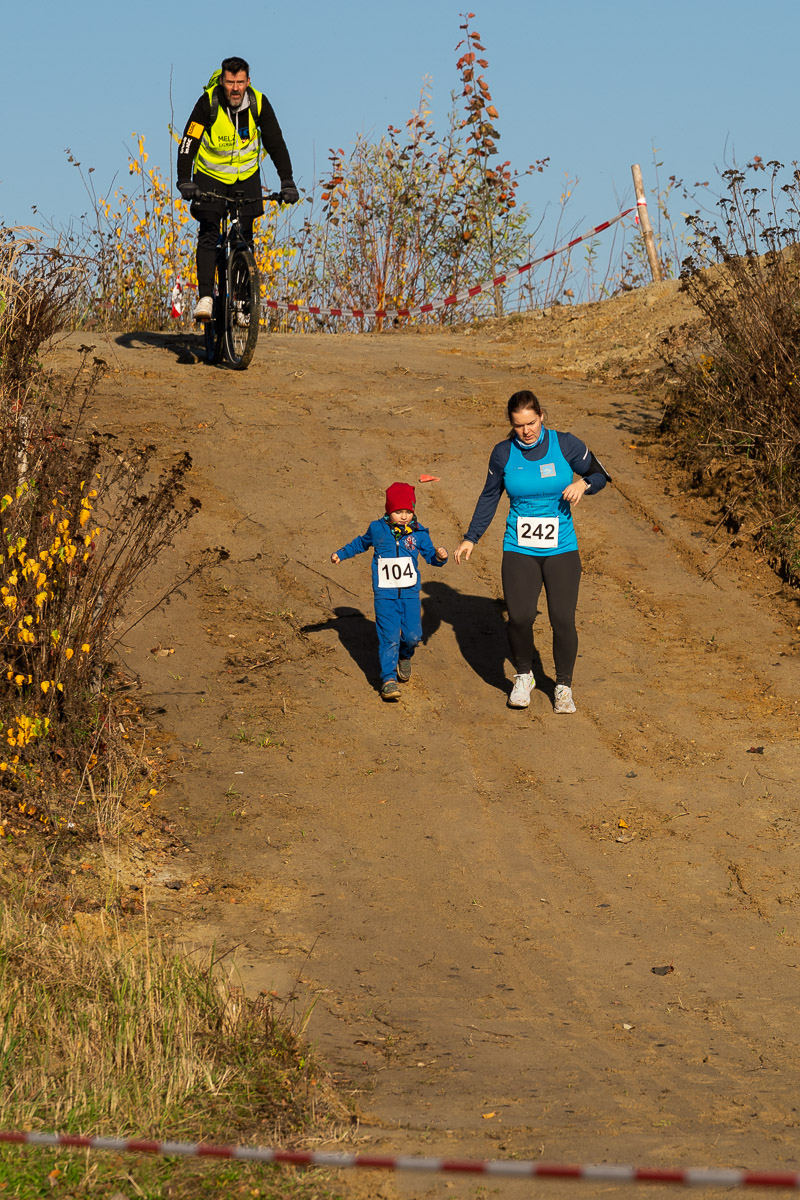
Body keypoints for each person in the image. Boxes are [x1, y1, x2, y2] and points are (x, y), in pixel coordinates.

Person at [454, 389, 609, 714]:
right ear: (511, 424)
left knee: (562, 619)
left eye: (531, 423)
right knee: (520, 617)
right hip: (519, 547)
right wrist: (471, 537)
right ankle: (524, 676)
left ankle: (563, 687)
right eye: (518, 425)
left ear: (542, 417)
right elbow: (489, 496)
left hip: (561, 548)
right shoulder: (503, 453)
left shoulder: (565, 444)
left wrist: (583, 484)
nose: (526, 431)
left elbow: (600, 474)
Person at [177, 56, 299, 321]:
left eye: (240, 83)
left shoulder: (258, 103)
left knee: (244, 236)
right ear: (222, 81)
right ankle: (206, 297)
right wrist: (184, 179)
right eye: (230, 82)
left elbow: (275, 142)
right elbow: (188, 141)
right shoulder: (208, 103)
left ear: (248, 82)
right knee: (209, 231)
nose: (235, 89)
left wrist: (287, 180)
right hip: (211, 176)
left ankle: (243, 300)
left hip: (246, 176)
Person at [331, 483, 448, 701]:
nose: (403, 516)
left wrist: (440, 556)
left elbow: (430, 556)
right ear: (388, 510)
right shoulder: (377, 529)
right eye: (398, 512)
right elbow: (361, 543)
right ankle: (388, 679)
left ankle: (405, 655)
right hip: (385, 595)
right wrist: (342, 553)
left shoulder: (419, 533)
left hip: (410, 594)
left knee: (413, 636)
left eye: (408, 512)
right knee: (389, 636)